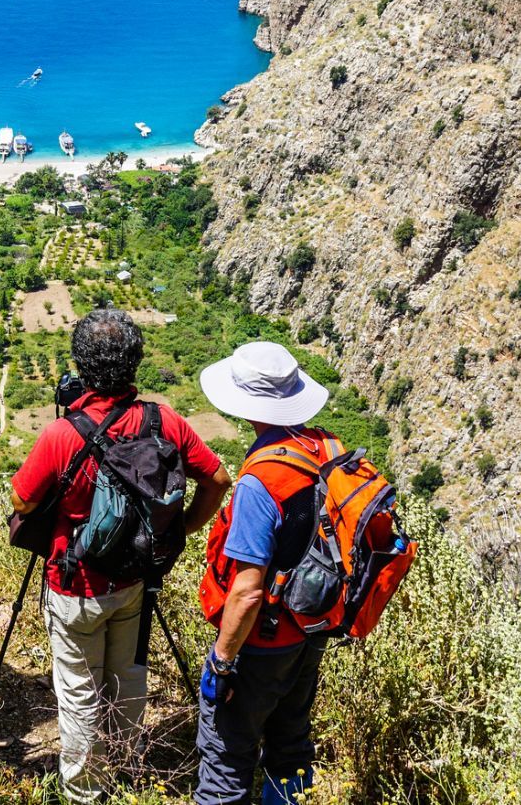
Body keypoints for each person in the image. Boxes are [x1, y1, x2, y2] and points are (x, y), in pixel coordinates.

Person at [10, 309, 231, 804]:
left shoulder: (63, 434)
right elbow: (218, 480)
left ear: (80, 366)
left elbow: (22, 501)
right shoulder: (164, 420)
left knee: (79, 689)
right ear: (134, 365)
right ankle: (128, 765)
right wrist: (182, 531)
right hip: (135, 577)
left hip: (76, 585)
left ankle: (87, 789)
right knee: (127, 676)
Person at [192, 341, 337, 805]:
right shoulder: (323, 448)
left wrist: (222, 660)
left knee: (225, 757)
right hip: (309, 629)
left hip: (263, 641)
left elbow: (247, 593)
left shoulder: (261, 481)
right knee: (290, 745)